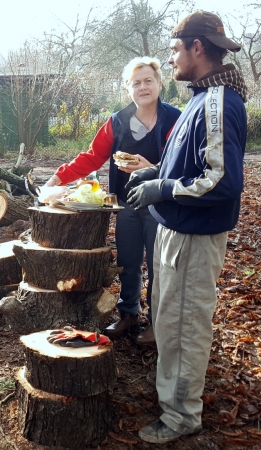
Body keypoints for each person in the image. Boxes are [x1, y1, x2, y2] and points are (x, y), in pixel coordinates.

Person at [124, 11, 248, 444]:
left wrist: (165, 189)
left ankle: (180, 418)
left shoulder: (217, 103)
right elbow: (195, 164)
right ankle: (170, 398)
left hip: (193, 239)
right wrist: (155, 172)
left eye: (176, 48)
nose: (172, 57)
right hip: (177, 232)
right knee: (168, 322)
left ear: (198, 47)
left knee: (183, 328)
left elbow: (222, 180)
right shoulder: (202, 97)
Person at [43, 57, 181, 343]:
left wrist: (151, 167)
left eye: (148, 81)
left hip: (161, 205)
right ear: (127, 89)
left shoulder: (174, 119)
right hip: (127, 203)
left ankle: (157, 322)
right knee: (128, 262)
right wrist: (58, 178)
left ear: (160, 84)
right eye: (136, 83)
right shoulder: (117, 121)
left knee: (158, 265)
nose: (143, 87)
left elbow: (180, 163)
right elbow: (93, 156)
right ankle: (128, 314)